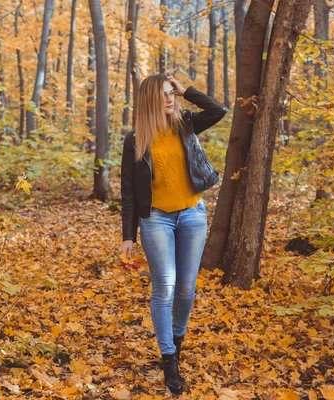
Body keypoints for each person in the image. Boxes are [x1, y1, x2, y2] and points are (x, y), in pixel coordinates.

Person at [120, 73, 227, 395]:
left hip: (193, 215)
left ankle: (176, 341)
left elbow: (218, 110)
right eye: (164, 94)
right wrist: (128, 235)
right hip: (156, 220)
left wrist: (187, 90)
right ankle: (169, 359)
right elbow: (127, 191)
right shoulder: (135, 139)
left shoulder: (187, 124)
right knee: (164, 287)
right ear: (148, 101)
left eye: (172, 93)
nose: (170, 99)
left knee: (186, 288)